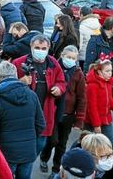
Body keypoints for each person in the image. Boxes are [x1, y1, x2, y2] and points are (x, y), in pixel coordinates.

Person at [0, 61, 45, 179]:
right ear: (15, 75)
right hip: (28, 151)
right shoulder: (31, 95)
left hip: (6, 153)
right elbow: (40, 124)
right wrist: (30, 138)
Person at [13, 34, 66, 155]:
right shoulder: (18, 63)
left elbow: (61, 82)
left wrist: (58, 88)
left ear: (48, 48)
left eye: (43, 49)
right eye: (37, 48)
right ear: (31, 46)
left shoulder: (53, 63)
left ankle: (31, 159)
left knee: (41, 143)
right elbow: (7, 84)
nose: (40, 51)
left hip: (45, 110)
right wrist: (20, 81)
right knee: (24, 142)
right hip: (24, 111)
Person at [39, 45, 87, 177]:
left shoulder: (78, 74)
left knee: (62, 144)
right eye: (68, 57)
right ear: (62, 55)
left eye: (73, 58)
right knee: (52, 140)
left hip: (68, 114)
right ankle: (44, 157)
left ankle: (56, 168)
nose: (70, 60)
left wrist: (79, 120)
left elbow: (82, 98)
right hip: (52, 111)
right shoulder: (53, 67)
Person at [84, 58, 113, 144]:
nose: (110, 73)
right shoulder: (92, 86)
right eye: (107, 71)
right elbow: (92, 107)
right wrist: (96, 124)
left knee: (109, 143)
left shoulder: (107, 83)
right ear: (99, 72)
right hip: (91, 121)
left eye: (111, 70)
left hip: (106, 119)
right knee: (87, 144)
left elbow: (109, 99)